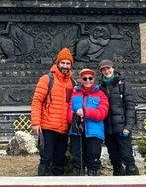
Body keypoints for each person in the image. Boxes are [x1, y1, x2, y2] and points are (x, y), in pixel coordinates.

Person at [30, 47, 75, 176]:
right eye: (63, 63)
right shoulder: (46, 79)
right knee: (46, 159)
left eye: (68, 63)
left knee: (59, 161)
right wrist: (35, 123)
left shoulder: (72, 82)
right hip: (48, 127)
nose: (65, 66)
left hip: (64, 128)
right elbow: (37, 101)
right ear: (57, 63)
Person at [97, 59, 139, 176]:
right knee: (115, 160)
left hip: (122, 128)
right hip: (108, 129)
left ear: (113, 68)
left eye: (108, 68)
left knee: (127, 158)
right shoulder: (100, 87)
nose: (107, 71)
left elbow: (130, 106)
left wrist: (128, 127)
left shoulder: (124, 84)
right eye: (104, 70)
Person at [67, 68, 109, 176]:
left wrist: (86, 112)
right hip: (77, 131)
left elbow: (102, 113)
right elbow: (69, 112)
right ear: (81, 80)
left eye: (90, 78)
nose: (88, 80)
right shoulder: (74, 93)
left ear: (93, 79)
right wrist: (75, 117)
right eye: (85, 78)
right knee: (77, 160)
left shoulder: (101, 94)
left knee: (93, 158)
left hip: (94, 132)